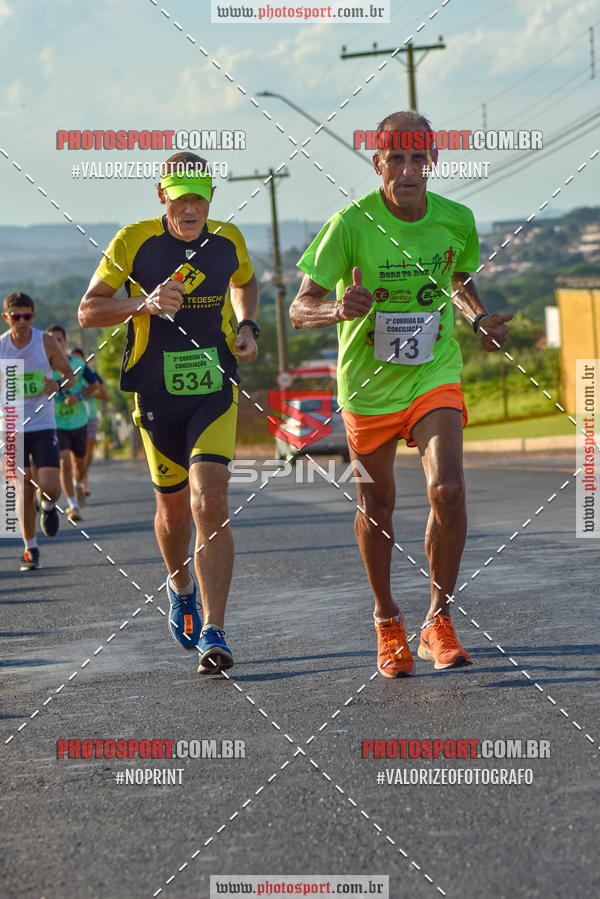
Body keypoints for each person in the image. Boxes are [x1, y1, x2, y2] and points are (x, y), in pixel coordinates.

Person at [290, 111, 512, 678]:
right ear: (378, 163)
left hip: (432, 371)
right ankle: (387, 619)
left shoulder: (457, 220)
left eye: (419, 159)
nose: (408, 171)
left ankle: (438, 617)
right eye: (397, 159)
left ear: (432, 161)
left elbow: (458, 279)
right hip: (367, 385)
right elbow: (299, 308)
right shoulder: (350, 225)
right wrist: (336, 309)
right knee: (378, 504)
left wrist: (479, 317)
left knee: (449, 488)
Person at [78, 152, 259, 674]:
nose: (190, 208)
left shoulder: (228, 239)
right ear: (162, 197)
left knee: (210, 499)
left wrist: (247, 328)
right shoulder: (133, 242)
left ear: (210, 200)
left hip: (214, 389)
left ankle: (215, 630)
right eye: (179, 198)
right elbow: (88, 311)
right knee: (174, 512)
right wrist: (146, 304)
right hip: (156, 396)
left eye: (198, 198)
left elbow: (246, 282)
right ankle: (181, 587)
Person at [0, 292, 76, 570]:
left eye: (27, 316)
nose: (22, 322)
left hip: (43, 424)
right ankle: (30, 549)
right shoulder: (1, 347)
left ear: (33, 316)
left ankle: (47, 506)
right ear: (6, 317)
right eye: (16, 316)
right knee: (23, 486)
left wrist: (57, 385)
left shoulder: (45, 341)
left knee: (49, 486)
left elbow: (70, 376)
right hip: (11, 427)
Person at [45, 325, 95, 521]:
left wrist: (78, 396)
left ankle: (77, 482)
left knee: (80, 464)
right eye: (51, 340)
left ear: (65, 342)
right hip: (57, 424)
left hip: (79, 421)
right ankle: (73, 506)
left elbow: (94, 385)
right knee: (65, 461)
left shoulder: (78, 365)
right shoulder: (43, 366)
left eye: (59, 339)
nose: (55, 343)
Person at [69, 347, 108, 498]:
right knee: (75, 455)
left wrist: (87, 395)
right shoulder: (67, 375)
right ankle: (78, 483)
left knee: (87, 453)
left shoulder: (91, 375)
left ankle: (81, 481)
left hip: (90, 416)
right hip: (72, 417)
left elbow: (104, 394)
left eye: (79, 359)